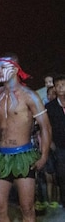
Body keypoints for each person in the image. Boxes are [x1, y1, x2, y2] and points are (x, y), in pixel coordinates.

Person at [0, 53, 51, 222]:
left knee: (27, 208)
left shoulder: (29, 95)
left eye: (3, 67)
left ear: (14, 69)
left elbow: (45, 127)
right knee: (0, 208)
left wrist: (43, 155)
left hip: (23, 154)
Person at [45, 74, 65, 207]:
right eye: (58, 86)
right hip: (60, 146)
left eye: (63, 85)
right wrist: (50, 143)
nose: (61, 88)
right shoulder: (50, 107)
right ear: (55, 89)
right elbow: (46, 127)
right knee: (62, 174)